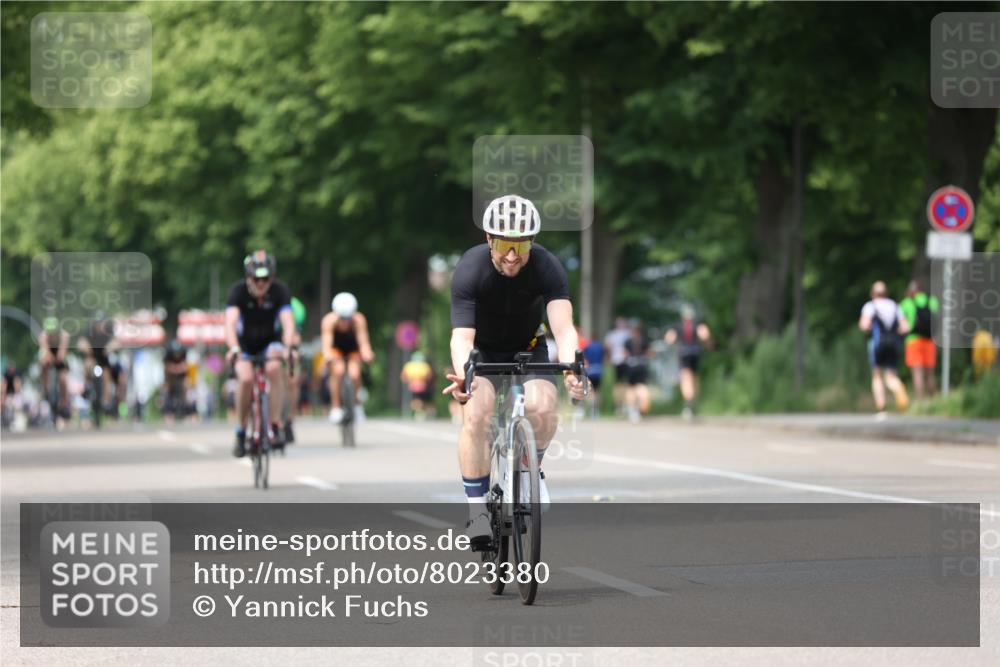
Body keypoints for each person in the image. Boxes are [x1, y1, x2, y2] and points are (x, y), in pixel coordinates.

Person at [441, 194, 586, 547]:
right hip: (483, 351)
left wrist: (572, 369)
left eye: (521, 246)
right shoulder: (470, 269)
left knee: (543, 406)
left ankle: (530, 468)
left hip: (528, 346)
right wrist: (465, 374)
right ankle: (477, 510)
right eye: (505, 244)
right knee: (476, 413)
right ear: (489, 239)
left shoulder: (546, 266)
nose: (512, 255)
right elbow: (461, 338)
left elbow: (563, 330)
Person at [225, 250, 297, 457]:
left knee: (274, 368)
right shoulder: (237, 292)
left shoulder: (280, 291)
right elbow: (230, 324)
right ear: (248, 277)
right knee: (246, 379)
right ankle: (240, 431)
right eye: (256, 279)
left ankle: (274, 424)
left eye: (265, 279)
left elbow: (288, 323)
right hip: (244, 344)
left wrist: (289, 346)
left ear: (272, 278)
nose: (260, 283)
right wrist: (234, 348)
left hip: (270, 342)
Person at [321, 292, 375, 424]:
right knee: (338, 371)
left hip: (352, 348)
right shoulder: (329, 321)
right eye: (342, 318)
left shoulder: (359, 320)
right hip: (336, 348)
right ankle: (335, 407)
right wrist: (327, 356)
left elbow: (363, 342)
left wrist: (367, 353)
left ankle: (357, 405)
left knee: (355, 374)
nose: (345, 322)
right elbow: (327, 343)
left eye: (348, 318)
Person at [859, 281, 910, 416]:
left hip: (878, 344)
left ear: (873, 294)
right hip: (894, 343)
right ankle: (898, 387)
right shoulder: (894, 306)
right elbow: (905, 327)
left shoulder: (871, 306)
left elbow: (864, 325)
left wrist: (869, 328)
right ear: (886, 293)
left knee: (877, 375)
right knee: (891, 376)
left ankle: (881, 406)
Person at [664, 304, 712, 420]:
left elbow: (668, 339)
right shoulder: (698, 324)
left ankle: (689, 403)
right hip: (695, 352)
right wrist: (708, 345)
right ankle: (693, 403)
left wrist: (675, 343)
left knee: (686, 378)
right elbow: (705, 336)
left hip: (684, 353)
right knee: (694, 379)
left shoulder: (677, 326)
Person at [77, 311, 122, 420]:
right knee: (87, 365)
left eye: (101, 323)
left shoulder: (108, 332)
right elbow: (80, 343)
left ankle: (106, 402)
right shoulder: (89, 332)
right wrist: (86, 347)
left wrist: (110, 347)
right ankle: (87, 386)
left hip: (104, 360)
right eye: (97, 323)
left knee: (107, 376)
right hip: (92, 358)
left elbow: (117, 342)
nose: (99, 325)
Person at [899, 280, 939, 401]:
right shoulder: (931, 300)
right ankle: (933, 402)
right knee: (930, 374)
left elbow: (902, 324)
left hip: (913, 340)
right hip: (929, 340)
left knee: (917, 373)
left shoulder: (906, 302)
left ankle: (920, 402)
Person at [38, 316, 71, 419]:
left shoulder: (64, 335)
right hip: (49, 353)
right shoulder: (43, 335)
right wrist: (50, 359)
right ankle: (46, 386)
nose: (52, 335)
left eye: (54, 332)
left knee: (63, 379)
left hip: (59, 354)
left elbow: (62, 351)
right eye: (50, 333)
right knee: (43, 361)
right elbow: (45, 349)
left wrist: (59, 358)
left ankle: (64, 402)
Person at [622, 320, 653, 423]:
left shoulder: (628, 341)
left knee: (631, 389)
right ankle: (640, 407)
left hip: (631, 366)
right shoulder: (645, 340)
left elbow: (624, 355)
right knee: (642, 387)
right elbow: (650, 353)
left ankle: (632, 410)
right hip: (642, 366)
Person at [604, 317, 631, 415]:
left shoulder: (612, 334)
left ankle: (621, 406)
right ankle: (622, 405)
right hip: (623, 361)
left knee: (620, 384)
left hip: (618, 361)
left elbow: (608, 346)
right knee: (624, 384)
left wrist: (609, 357)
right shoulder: (627, 333)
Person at [400, 351, 435, 420]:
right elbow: (430, 376)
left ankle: (421, 412)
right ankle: (421, 412)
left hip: (416, 386)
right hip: (420, 386)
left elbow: (403, 376)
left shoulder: (409, 365)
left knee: (418, 400)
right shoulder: (424, 365)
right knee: (419, 400)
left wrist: (408, 381)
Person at [162, 340, 189, 423]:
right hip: (170, 378)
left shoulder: (184, 353)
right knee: (167, 393)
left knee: (184, 391)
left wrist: (175, 368)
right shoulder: (168, 354)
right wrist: (177, 368)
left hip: (181, 378)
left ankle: (184, 413)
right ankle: (168, 414)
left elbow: (185, 367)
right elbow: (167, 367)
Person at [581, 333, 606, 417]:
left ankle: (591, 409)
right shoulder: (600, 347)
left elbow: (585, 359)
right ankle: (596, 410)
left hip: (590, 370)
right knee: (597, 391)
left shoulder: (587, 347)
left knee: (590, 391)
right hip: (599, 370)